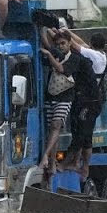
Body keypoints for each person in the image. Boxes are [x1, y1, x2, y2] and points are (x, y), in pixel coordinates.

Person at [54, 28, 107, 177]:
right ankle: (81, 166)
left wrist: (62, 32)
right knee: (86, 136)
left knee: (81, 135)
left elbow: (76, 46)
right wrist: (67, 32)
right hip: (92, 100)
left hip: (89, 101)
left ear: (92, 44)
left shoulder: (93, 56)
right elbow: (81, 43)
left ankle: (70, 164)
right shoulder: (102, 55)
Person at [38, 31, 80, 181]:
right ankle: (52, 163)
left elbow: (62, 69)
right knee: (52, 130)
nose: (60, 46)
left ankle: (45, 156)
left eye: (63, 43)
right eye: (58, 44)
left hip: (65, 98)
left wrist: (49, 56)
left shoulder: (75, 59)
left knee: (56, 125)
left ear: (70, 43)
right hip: (51, 96)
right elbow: (47, 45)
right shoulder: (56, 54)